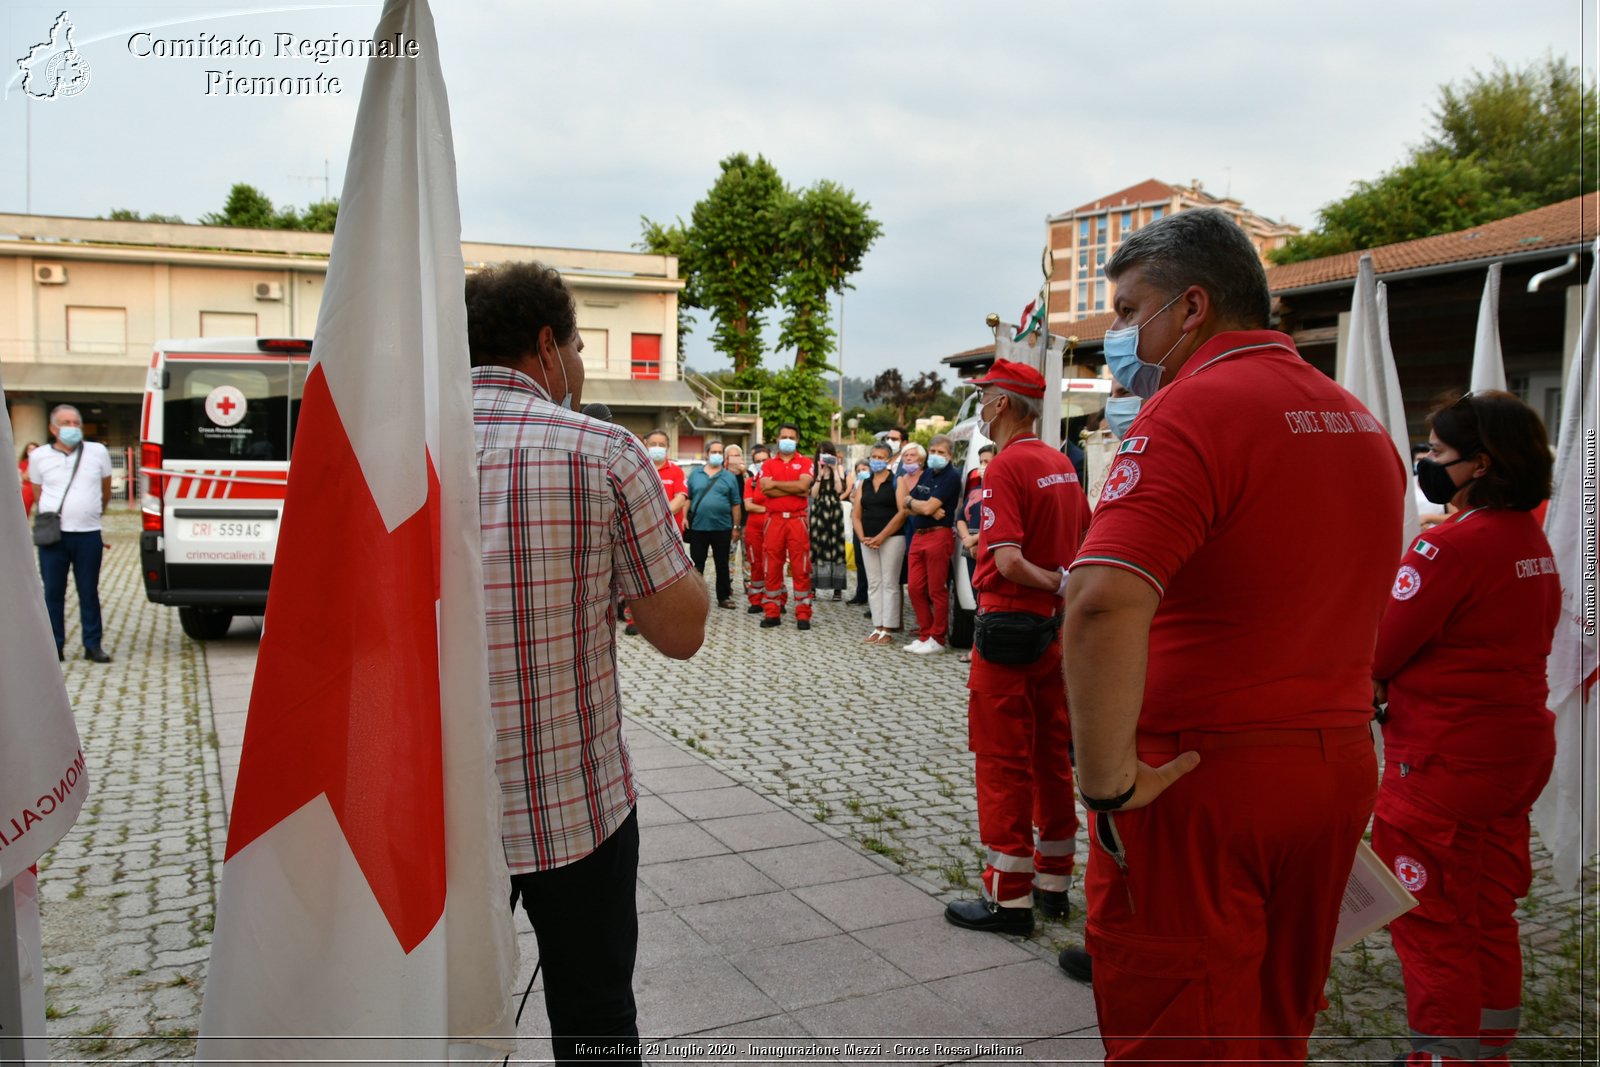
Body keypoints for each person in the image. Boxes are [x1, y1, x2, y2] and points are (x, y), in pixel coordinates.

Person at [1061, 208, 1404, 1063]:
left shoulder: (1189, 412)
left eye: (1128, 309)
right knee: (1272, 1023)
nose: (1118, 332)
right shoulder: (1361, 423)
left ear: (1193, 308)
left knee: (1179, 1028)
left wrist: (1105, 783)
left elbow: (1101, 600)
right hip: (1331, 767)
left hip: (1201, 777)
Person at [466, 261, 708, 1065]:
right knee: (596, 1015)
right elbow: (679, 630)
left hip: (437, 811)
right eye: (575, 346)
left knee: (438, 1021)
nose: (579, 366)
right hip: (575, 804)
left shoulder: (397, 453)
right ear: (545, 347)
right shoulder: (603, 451)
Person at [1372, 392, 1560, 1066]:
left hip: (1442, 762)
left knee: (1432, 924)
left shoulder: (1444, 546)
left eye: (1437, 453)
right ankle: (1488, 1052)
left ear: (1480, 464)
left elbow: (1379, 650)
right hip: (1511, 755)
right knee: (1486, 912)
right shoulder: (1528, 537)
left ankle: (1443, 1058)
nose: (1426, 462)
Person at [943, 361, 1090, 936]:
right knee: (1052, 754)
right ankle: (1054, 883)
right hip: (1053, 634)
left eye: (983, 397)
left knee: (1002, 759)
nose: (980, 407)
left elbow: (1005, 560)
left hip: (1007, 628)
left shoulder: (1005, 469)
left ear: (1002, 405)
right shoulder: (1061, 463)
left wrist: (1054, 581)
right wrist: (1065, 588)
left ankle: (1010, 899)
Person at [30, 406, 114, 663]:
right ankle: (54, 646)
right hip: (54, 537)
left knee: (89, 591)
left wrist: (92, 512)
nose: (73, 426)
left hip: (88, 534)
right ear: (53, 428)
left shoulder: (97, 452)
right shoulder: (39, 456)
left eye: (76, 422)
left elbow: (106, 490)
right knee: (53, 592)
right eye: (66, 422)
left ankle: (93, 644)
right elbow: (37, 492)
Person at [903, 434, 963, 654]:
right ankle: (925, 634)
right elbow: (906, 504)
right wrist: (920, 505)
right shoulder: (927, 473)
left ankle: (937, 638)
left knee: (936, 589)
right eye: (934, 452)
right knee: (915, 587)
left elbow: (925, 507)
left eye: (942, 453)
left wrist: (919, 505)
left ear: (950, 456)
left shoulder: (951, 477)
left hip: (939, 535)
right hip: (919, 535)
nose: (937, 456)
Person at [759, 424, 815, 630]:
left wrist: (777, 484)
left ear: (797, 440)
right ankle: (772, 612)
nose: (787, 440)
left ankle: (803, 614)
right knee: (772, 566)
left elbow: (804, 486)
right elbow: (766, 489)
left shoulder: (806, 462)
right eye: (784, 436)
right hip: (774, 520)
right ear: (776, 439)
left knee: (801, 566)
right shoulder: (768, 464)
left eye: (791, 437)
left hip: (797, 519)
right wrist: (794, 488)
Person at [852, 441, 907, 645]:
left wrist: (882, 536)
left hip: (892, 538)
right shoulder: (864, 483)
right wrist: (861, 536)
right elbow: (856, 514)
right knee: (874, 583)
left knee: (890, 582)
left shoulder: (897, 481)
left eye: (880, 457)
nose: (876, 461)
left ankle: (889, 628)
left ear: (889, 460)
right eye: (873, 457)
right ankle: (877, 626)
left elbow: (902, 512)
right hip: (867, 539)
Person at [686, 441, 743, 609]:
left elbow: (736, 504)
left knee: (722, 564)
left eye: (720, 452)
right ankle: (695, 596)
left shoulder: (729, 477)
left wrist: (736, 527)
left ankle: (723, 597)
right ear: (706, 454)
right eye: (714, 451)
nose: (716, 454)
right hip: (698, 527)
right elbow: (688, 498)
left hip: (722, 527)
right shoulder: (695, 474)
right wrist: (684, 517)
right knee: (697, 564)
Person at [809, 441, 850, 601]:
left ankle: (837, 588)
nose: (825, 457)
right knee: (816, 546)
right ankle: (813, 587)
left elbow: (839, 491)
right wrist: (820, 475)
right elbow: (813, 495)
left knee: (836, 546)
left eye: (828, 454)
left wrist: (833, 469)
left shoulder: (838, 469)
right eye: (822, 453)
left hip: (834, 509)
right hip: (819, 510)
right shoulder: (814, 470)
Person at [742, 444, 772, 615]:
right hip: (754, 529)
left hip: (773, 527)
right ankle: (756, 600)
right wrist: (771, 508)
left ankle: (776, 600)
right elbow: (748, 506)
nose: (762, 463)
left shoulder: (778, 481)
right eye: (758, 461)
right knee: (756, 564)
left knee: (774, 564)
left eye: (765, 460)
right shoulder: (750, 482)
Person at [1413, 441, 1453, 530]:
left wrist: (1427, 518)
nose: (1423, 463)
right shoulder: (1409, 484)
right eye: (1419, 459)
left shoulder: (1442, 482)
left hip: (1436, 532)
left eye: (1426, 459)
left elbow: (1455, 515)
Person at [847, 459, 871, 606]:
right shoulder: (857, 485)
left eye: (864, 469)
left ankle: (871, 596)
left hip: (871, 524)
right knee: (859, 561)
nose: (861, 472)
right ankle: (861, 594)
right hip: (858, 525)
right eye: (858, 470)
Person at [17, 442, 38, 516]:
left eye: (34, 449)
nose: (32, 450)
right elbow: (25, 477)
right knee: (24, 511)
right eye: (30, 449)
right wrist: (31, 461)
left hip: (41, 488)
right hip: (28, 488)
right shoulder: (23, 463)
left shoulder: (42, 462)